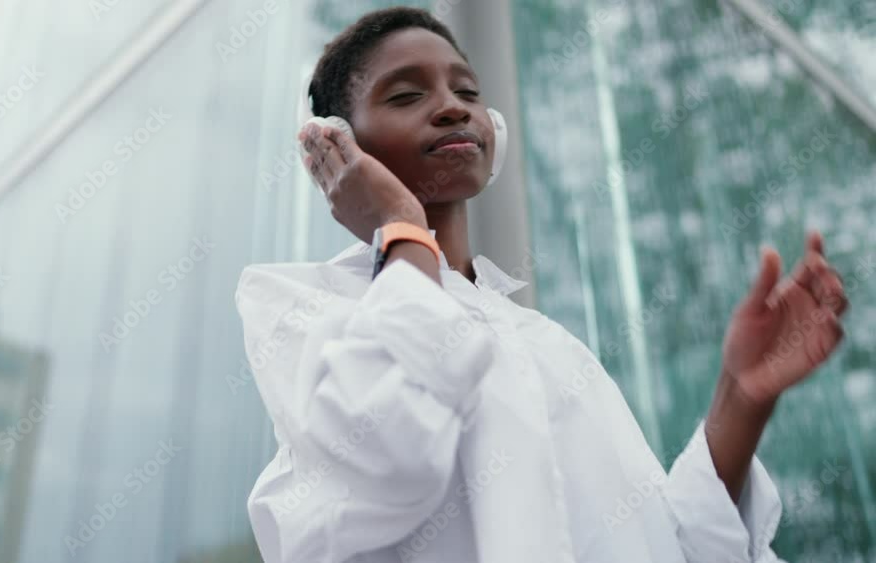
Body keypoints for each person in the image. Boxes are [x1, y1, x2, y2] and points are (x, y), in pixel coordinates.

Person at [233, 7, 849, 562]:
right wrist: (401, 227)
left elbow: (660, 543)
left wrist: (740, 398)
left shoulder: (548, 344)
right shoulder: (302, 306)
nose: (452, 106)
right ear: (337, 145)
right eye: (407, 95)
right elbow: (391, 461)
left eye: (467, 90)